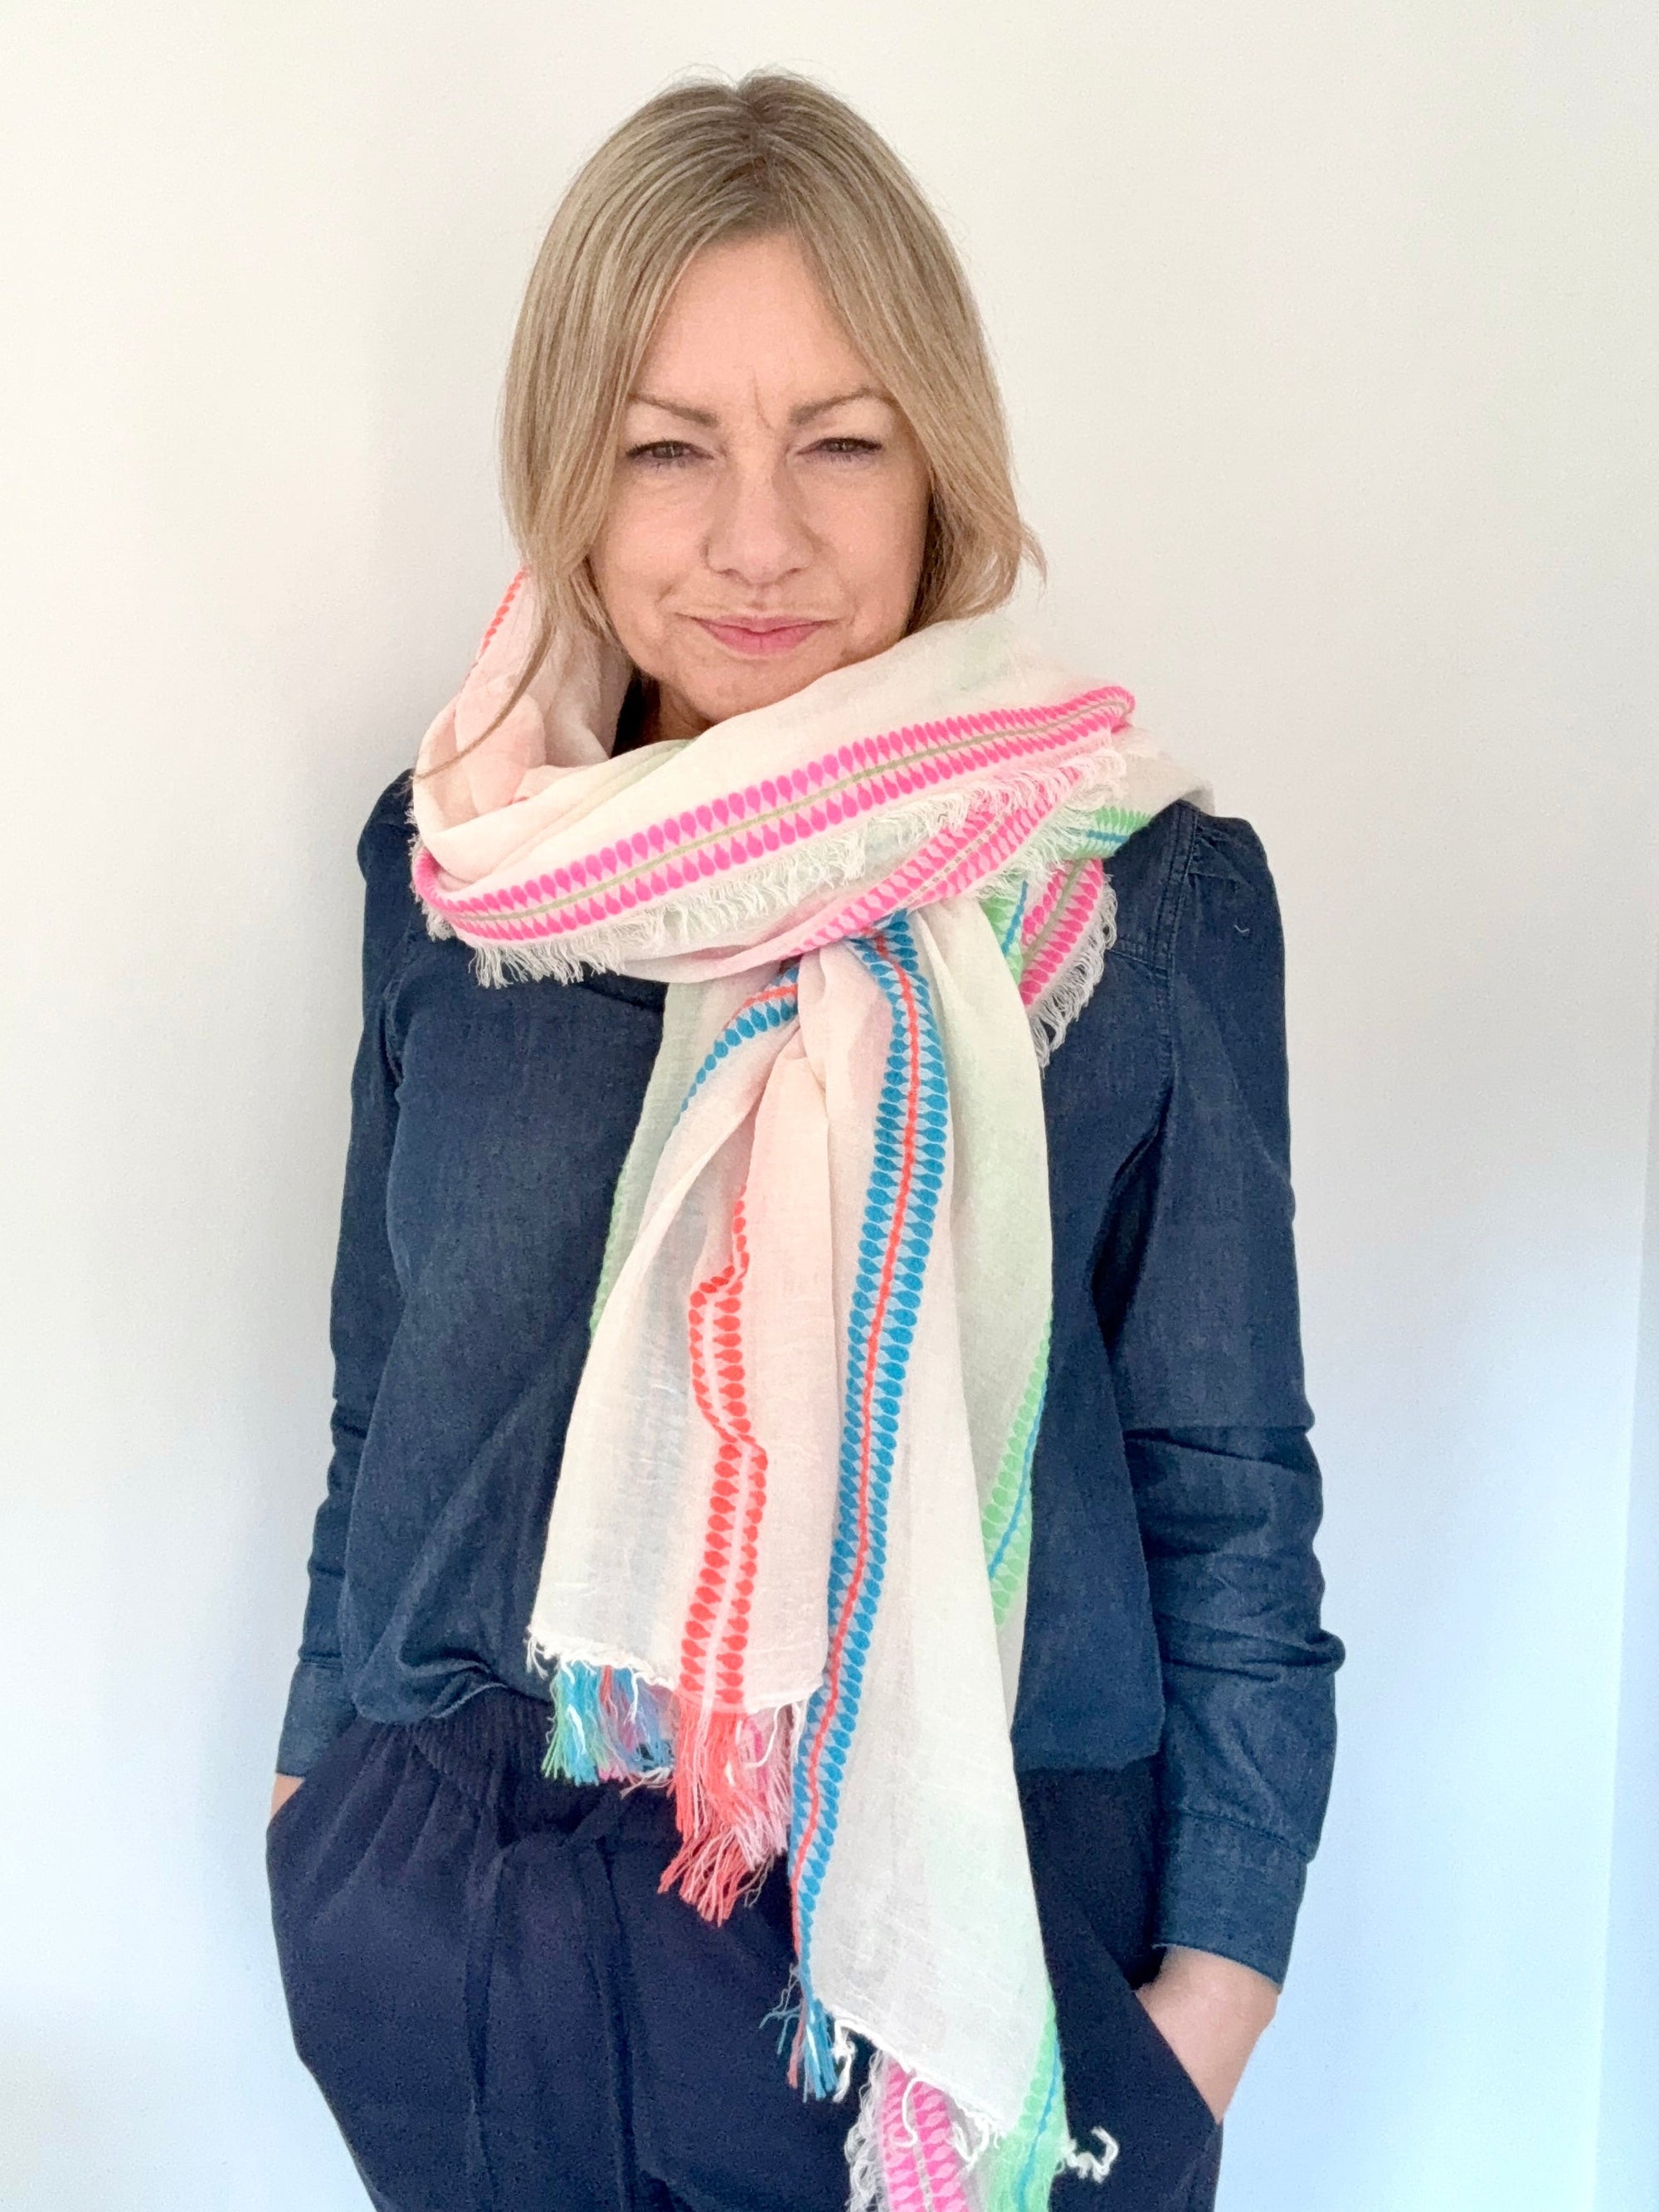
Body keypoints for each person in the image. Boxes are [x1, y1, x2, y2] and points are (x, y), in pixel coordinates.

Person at [265, 68, 1343, 2212]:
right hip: (464, 1903)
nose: (758, 535)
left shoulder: (1133, 896)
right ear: (569, 472)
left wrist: (1203, 2008)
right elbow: (386, 1387)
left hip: (970, 1928)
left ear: (944, 454)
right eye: (669, 447)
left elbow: (1231, 1503)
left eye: (841, 439)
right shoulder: (457, 864)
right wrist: (319, 1801)